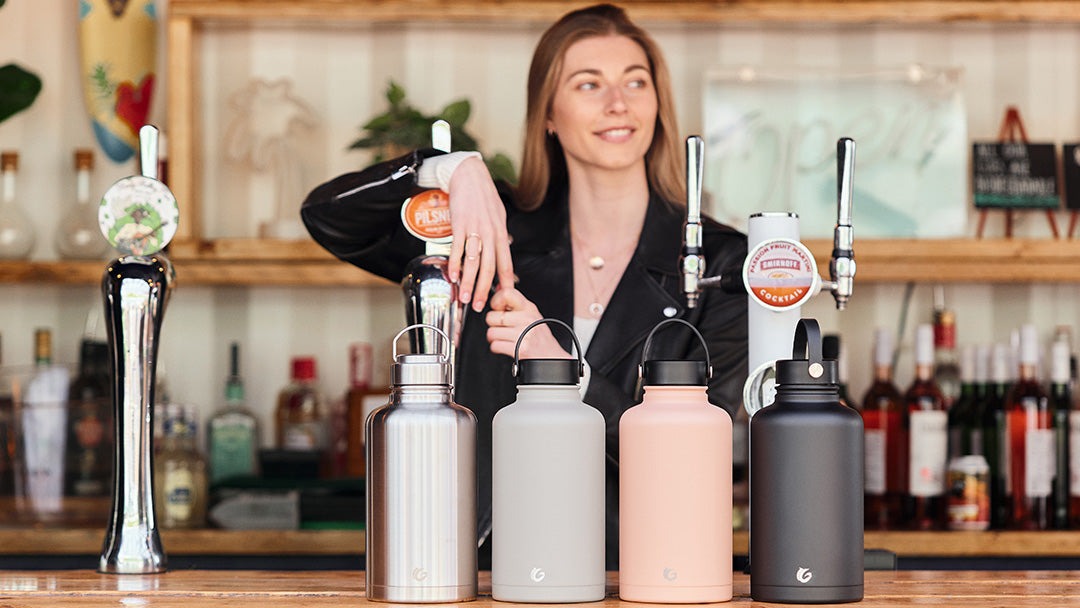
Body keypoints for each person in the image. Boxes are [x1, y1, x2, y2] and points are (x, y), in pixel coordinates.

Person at [300, 3, 747, 569]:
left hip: (641, 568)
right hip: (492, 565)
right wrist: (449, 171)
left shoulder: (722, 261)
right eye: (589, 84)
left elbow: (706, 454)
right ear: (548, 115)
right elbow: (328, 218)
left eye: (637, 81)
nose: (619, 103)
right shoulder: (488, 234)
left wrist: (559, 367)